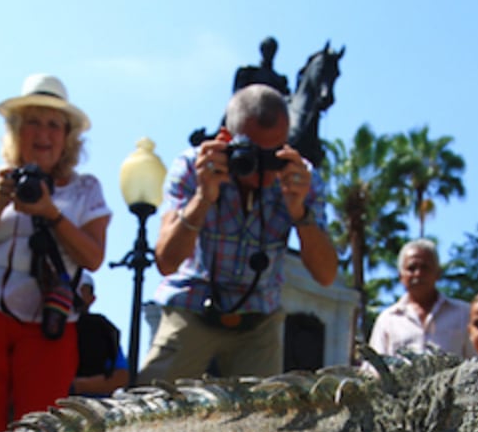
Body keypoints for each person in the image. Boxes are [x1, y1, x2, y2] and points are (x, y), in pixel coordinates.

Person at [0, 73, 109, 432]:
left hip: (51, 323)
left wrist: (51, 212)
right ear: (17, 131)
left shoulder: (86, 189)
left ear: (68, 137)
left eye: (54, 124)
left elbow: (93, 256)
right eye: (33, 122)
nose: (44, 133)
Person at [140, 84, 337, 383]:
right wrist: (203, 197)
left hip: (259, 323)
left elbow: (325, 274)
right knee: (150, 404)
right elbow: (166, 261)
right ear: (226, 139)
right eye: (252, 153)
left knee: (264, 420)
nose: (264, 169)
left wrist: (299, 211)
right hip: (193, 307)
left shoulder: (300, 177)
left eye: (274, 155)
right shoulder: (194, 166)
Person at [367, 239, 474, 360]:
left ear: (438, 273)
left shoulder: (463, 314)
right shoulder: (387, 320)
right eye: (411, 268)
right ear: (400, 276)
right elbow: (374, 369)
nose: (418, 274)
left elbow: (477, 361)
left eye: (425, 267)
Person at [71, 273, 127, 398]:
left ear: (92, 298)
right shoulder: (43, 325)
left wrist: (74, 386)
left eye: (82, 289)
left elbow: (120, 377)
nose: (76, 294)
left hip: (91, 409)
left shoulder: (102, 329)